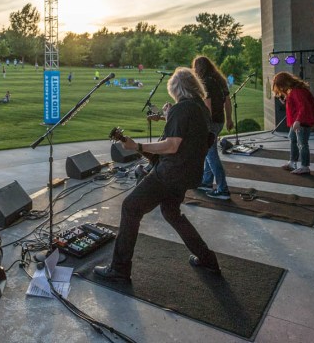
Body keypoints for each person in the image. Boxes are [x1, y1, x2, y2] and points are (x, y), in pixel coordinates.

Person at [94, 67, 220, 281]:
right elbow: (192, 137)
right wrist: (170, 117)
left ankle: (119, 269)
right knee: (171, 212)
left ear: (176, 88)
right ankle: (207, 259)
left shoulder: (183, 108)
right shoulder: (200, 108)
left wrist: (138, 145)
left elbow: (171, 146)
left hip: (170, 173)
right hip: (188, 173)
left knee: (131, 207)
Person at [192, 56, 234, 200]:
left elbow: (207, 106)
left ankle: (223, 189)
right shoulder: (220, 81)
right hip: (220, 120)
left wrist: (204, 125)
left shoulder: (205, 82)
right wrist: (229, 119)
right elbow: (228, 101)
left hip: (210, 122)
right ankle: (207, 182)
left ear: (200, 68)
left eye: (195, 67)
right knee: (209, 152)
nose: (194, 70)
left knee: (211, 155)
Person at [272, 72, 314, 175]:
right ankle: (292, 163)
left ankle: (305, 167)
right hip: (297, 121)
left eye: (281, 86)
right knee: (293, 139)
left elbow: (303, 107)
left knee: (302, 144)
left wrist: (298, 120)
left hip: (301, 121)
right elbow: (297, 104)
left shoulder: (297, 91)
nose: (281, 89)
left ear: (284, 83)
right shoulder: (295, 90)